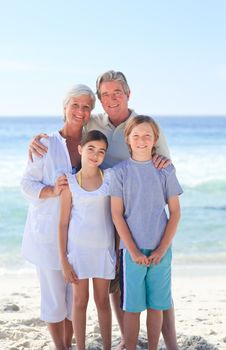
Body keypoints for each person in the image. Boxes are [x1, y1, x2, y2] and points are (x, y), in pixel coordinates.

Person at [29, 70, 176, 349]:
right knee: (114, 282)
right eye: (105, 94)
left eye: (116, 92)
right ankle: (123, 339)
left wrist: (161, 168)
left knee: (158, 287)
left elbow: (164, 166)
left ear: (128, 94)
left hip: (144, 218)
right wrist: (38, 140)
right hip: (112, 216)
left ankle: (171, 344)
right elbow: (71, 131)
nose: (111, 99)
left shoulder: (143, 126)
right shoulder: (94, 121)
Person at [21, 84, 96, 350]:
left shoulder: (92, 145)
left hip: (79, 236)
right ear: (64, 107)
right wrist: (52, 190)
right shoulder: (45, 144)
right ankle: (61, 347)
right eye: (75, 105)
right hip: (48, 235)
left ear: (91, 113)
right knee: (54, 299)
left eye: (86, 106)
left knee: (73, 299)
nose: (80, 111)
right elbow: (26, 184)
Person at [110, 115, 183, 350]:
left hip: (161, 250)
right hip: (131, 251)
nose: (142, 140)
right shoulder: (119, 172)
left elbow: (175, 213)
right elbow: (116, 215)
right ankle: (129, 345)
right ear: (128, 140)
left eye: (147, 136)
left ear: (155, 139)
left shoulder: (165, 170)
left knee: (157, 305)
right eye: (136, 136)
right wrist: (131, 251)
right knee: (132, 306)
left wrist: (162, 248)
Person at [59, 130, 116, 350]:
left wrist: (118, 252)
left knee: (102, 302)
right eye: (91, 148)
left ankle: (107, 347)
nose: (95, 154)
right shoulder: (70, 182)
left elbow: (116, 216)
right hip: (78, 252)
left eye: (101, 151)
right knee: (80, 301)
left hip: (104, 250)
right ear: (80, 149)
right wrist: (63, 260)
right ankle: (80, 347)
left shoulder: (110, 178)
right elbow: (63, 223)